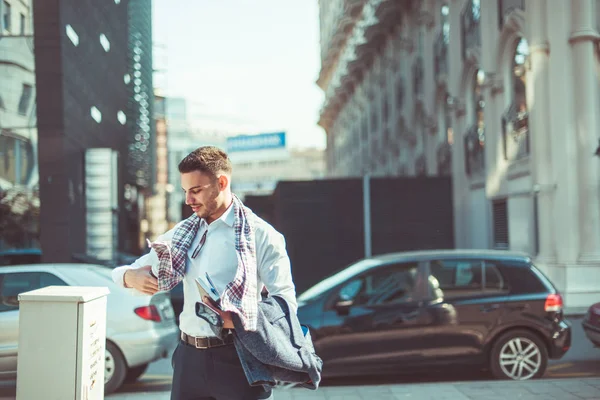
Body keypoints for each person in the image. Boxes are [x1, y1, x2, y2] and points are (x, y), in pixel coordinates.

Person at [112, 146, 297, 400]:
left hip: (240, 359)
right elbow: (126, 270)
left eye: (196, 190)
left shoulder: (262, 235)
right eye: (185, 191)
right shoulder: (183, 233)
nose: (188, 200)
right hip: (189, 360)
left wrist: (241, 320)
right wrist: (130, 277)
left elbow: (285, 304)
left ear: (221, 183)